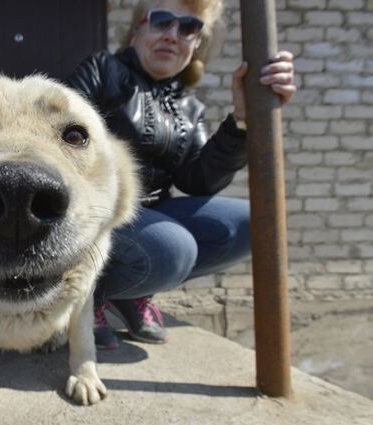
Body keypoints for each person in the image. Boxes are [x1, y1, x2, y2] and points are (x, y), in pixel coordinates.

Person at [65, 0, 296, 348]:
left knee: (257, 221)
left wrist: (242, 119)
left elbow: (198, 181)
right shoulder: (102, 71)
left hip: (152, 214)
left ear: (197, 43)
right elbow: (57, 137)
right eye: (161, 22)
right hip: (95, 216)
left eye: (188, 28)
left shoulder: (189, 108)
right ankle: (85, 295)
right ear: (137, 30)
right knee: (172, 249)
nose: (172, 35)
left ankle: (129, 293)